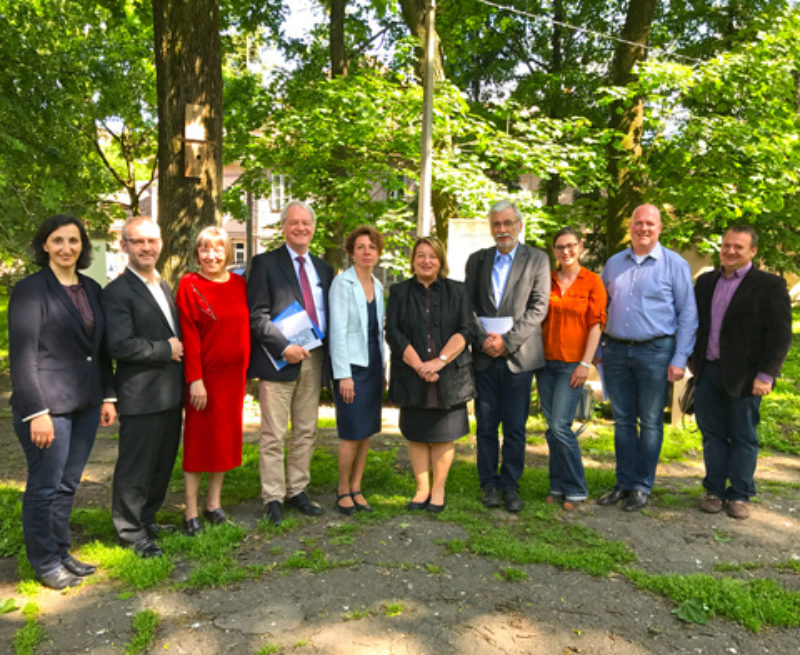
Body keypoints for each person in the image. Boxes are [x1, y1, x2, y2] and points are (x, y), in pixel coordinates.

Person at [8, 215, 117, 589]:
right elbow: (22, 356)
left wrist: (108, 395)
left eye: (73, 241)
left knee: (68, 484)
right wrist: (36, 412)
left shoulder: (91, 288)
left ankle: (61, 551)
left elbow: (99, 349)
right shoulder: (30, 290)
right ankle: (44, 562)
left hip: (85, 403)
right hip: (46, 409)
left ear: (82, 246)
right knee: (45, 485)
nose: (66, 248)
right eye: (58, 240)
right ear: (45, 245)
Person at [597, 204, 698, 512]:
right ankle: (624, 482)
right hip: (615, 350)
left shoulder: (675, 265)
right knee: (623, 420)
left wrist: (680, 357)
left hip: (655, 351)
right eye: (638, 223)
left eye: (650, 224)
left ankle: (642, 485)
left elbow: (689, 314)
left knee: (651, 421)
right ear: (630, 227)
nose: (644, 228)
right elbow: (600, 309)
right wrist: (598, 349)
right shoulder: (614, 264)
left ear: (660, 228)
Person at [690, 225, 792, 519]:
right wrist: (692, 360)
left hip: (747, 377)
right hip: (708, 371)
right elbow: (696, 323)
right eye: (726, 246)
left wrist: (767, 374)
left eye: (738, 247)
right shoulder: (706, 282)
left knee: (743, 435)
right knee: (712, 434)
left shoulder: (769, 285)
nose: (730, 251)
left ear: (753, 251)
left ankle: (740, 494)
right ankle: (714, 490)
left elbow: (780, 335)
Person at [248, 200, 334, 526]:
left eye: (306, 223)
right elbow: (256, 315)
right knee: (273, 433)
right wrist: (284, 348)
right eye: (294, 222)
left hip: (314, 358)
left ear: (313, 228)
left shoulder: (324, 269)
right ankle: (273, 496)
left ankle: (298, 489)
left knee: (306, 430)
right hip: (279, 361)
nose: (301, 228)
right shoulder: (266, 263)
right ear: (284, 226)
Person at [103, 217, 184, 557]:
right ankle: (130, 530)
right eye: (138, 242)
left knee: (162, 463)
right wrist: (166, 349)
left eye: (152, 240)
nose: (147, 247)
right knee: (135, 467)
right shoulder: (118, 292)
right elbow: (119, 345)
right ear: (125, 246)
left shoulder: (162, 286)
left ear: (161, 243)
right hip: (140, 394)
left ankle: (147, 518)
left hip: (168, 393)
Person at [465, 199, 550, 513]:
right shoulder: (477, 261)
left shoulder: (537, 260)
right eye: (496, 224)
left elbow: (538, 308)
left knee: (515, 427)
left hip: (519, 358)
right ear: (491, 228)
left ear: (519, 226)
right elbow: (468, 305)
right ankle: (488, 484)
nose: (502, 230)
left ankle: (510, 486)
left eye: (507, 224)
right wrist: (484, 339)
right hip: (485, 356)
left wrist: (507, 342)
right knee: (486, 424)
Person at [386, 237, 475, 513]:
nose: (426, 261)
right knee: (416, 432)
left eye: (432, 256)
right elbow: (393, 332)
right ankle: (422, 488)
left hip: (448, 376)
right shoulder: (399, 291)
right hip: (412, 374)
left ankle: (438, 489)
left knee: (443, 434)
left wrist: (438, 362)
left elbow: (466, 330)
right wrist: (419, 366)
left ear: (440, 261)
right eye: (421, 255)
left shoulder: (457, 291)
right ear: (413, 260)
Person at [176, 227, 250, 535]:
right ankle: (191, 511)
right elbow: (189, 336)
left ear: (228, 253)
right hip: (204, 381)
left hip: (233, 380)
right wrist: (195, 379)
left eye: (218, 249)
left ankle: (214, 503)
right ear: (197, 254)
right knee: (198, 444)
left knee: (223, 443)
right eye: (205, 249)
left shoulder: (239, 284)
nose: (212, 255)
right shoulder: (189, 285)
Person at [536, 228, 606, 510]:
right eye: (560, 247)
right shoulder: (547, 281)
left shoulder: (592, 282)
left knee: (560, 426)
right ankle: (557, 485)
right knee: (552, 430)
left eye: (571, 246)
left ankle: (576, 487)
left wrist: (584, 363)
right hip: (544, 363)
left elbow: (596, 325)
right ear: (554, 251)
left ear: (580, 247)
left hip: (572, 364)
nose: (566, 252)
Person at [329, 226, 385, 515]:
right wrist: (344, 375)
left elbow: (379, 332)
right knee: (351, 432)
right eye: (361, 247)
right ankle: (342, 489)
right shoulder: (342, 284)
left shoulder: (378, 286)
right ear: (351, 252)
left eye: (372, 247)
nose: (367, 252)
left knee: (366, 432)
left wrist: (384, 369)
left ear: (378, 253)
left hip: (374, 365)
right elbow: (337, 332)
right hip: (352, 368)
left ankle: (357, 486)